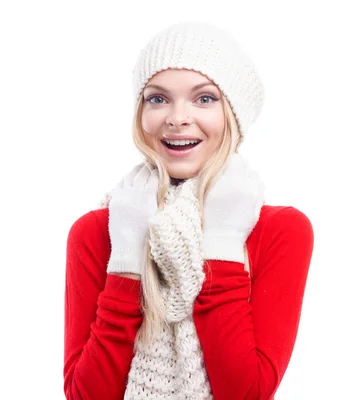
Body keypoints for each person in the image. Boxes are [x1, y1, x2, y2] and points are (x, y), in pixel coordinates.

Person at [63, 21, 314, 400]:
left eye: (204, 98)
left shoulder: (282, 230)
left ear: (234, 114)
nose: (177, 117)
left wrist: (223, 240)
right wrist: (128, 253)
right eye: (158, 98)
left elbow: (245, 394)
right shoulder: (100, 229)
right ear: (140, 114)